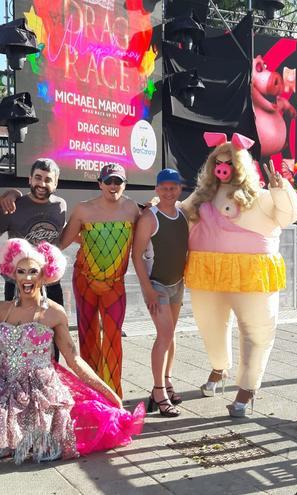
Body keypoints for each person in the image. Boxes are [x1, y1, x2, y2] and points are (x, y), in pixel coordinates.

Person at [0, 238, 143, 463]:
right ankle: (11, 436)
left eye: (33, 271)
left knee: (42, 439)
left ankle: (24, 436)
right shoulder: (1, 309)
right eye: (21, 271)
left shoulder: (54, 313)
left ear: (44, 275)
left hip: (41, 393)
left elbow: (74, 360)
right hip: (5, 386)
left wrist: (109, 393)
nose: (27, 277)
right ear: (13, 274)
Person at [181, 132, 297, 418]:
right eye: (218, 162)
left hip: (252, 273)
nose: (223, 168)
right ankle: (219, 367)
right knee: (209, 324)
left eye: (230, 163)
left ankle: (247, 389)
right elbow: (176, 215)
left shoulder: (261, 197)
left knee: (257, 330)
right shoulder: (201, 198)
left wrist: (280, 188)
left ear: (242, 165)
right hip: (207, 271)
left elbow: (290, 215)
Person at [59, 164, 141, 398]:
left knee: (114, 338)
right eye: (108, 181)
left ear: (124, 184)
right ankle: (89, 392)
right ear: (100, 183)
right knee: (88, 335)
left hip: (115, 283)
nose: (113, 186)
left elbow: (145, 235)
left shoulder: (132, 208)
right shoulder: (84, 209)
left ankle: (113, 395)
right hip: (84, 280)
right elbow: (63, 241)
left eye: (118, 181)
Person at [0, 158, 67, 361]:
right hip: (18, 284)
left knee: (54, 337)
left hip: (50, 284)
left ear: (56, 183)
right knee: (15, 338)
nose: (42, 184)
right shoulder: (13, 205)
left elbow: (64, 237)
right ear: (29, 179)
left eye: (48, 180)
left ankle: (51, 379)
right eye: (38, 178)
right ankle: (14, 383)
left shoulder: (60, 206)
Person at [130, 169, 189, 417]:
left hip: (177, 282)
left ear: (179, 190)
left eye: (173, 187)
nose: (168, 191)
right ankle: (157, 391)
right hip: (157, 284)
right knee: (164, 335)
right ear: (156, 189)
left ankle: (167, 380)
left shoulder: (183, 215)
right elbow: (136, 255)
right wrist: (148, 290)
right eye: (163, 187)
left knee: (171, 335)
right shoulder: (149, 218)